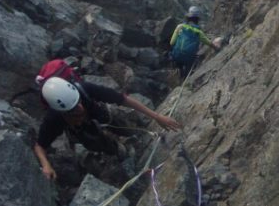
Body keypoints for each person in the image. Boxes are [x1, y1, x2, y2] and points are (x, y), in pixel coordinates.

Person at [34, 75, 180, 182]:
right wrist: (46, 165)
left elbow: (123, 99)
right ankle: (116, 150)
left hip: (99, 113)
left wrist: (156, 117)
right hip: (82, 131)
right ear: (63, 114)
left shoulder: (85, 90)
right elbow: (39, 146)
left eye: (79, 103)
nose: (80, 108)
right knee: (93, 141)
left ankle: (131, 134)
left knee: (115, 122)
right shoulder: (53, 120)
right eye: (74, 111)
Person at [169, 6, 223, 81]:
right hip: (189, 59)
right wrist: (217, 47)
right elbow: (210, 44)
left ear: (187, 17)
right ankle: (185, 77)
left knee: (175, 54)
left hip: (176, 56)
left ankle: (178, 72)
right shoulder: (199, 32)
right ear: (197, 19)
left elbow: (171, 43)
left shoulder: (180, 27)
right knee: (191, 61)